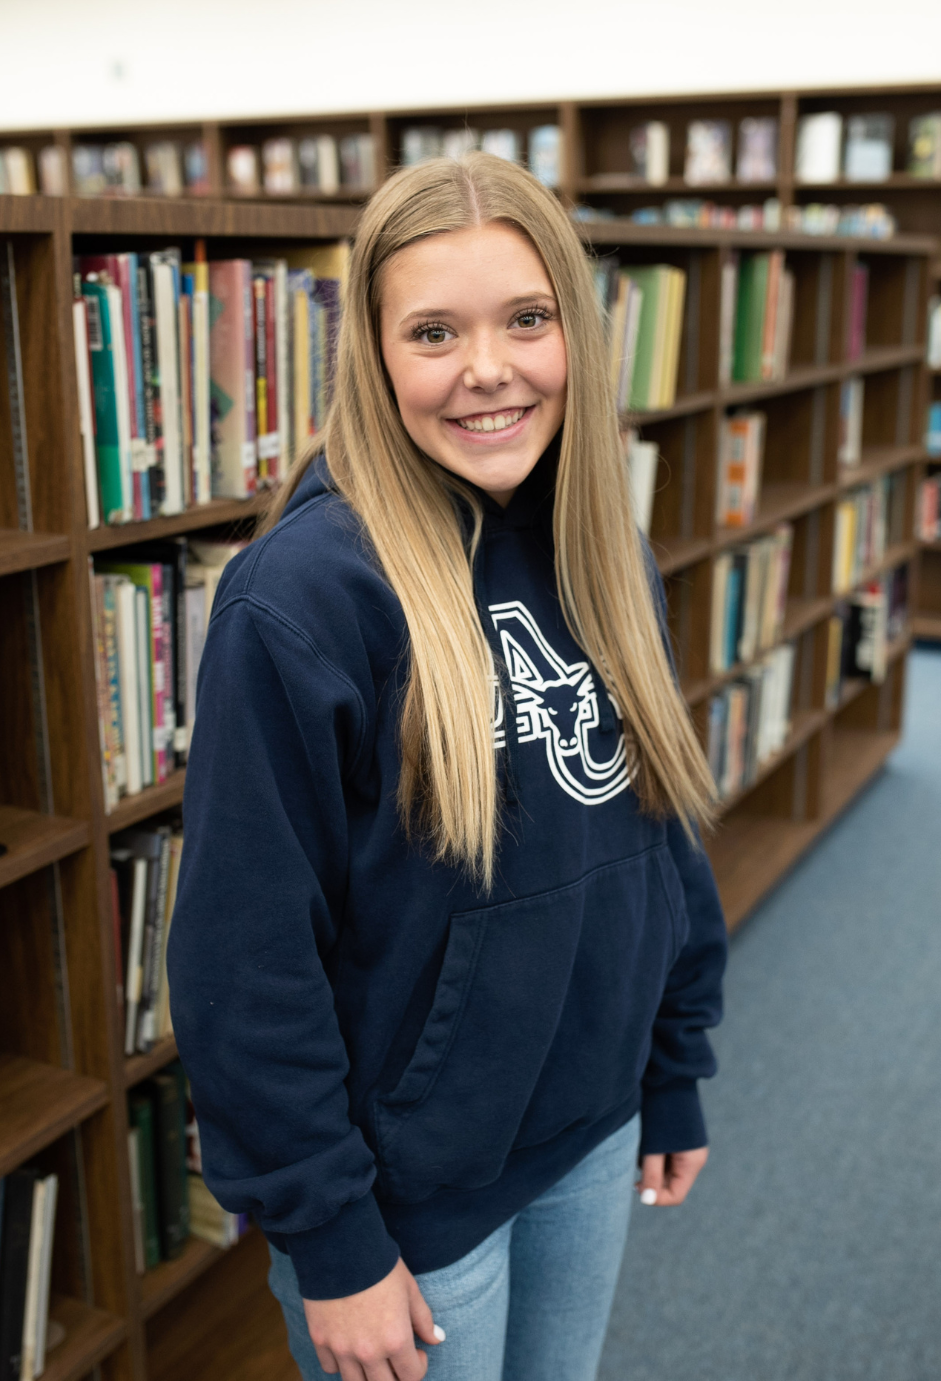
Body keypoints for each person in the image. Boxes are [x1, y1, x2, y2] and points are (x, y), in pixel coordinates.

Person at [168, 151, 727, 1381]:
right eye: (433, 331)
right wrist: (332, 1239)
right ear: (372, 358)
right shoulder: (307, 600)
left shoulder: (599, 543)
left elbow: (654, 829)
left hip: (589, 1124)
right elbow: (242, 959)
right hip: (408, 1200)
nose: (488, 368)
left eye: (526, 319)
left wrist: (672, 1062)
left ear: (575, 330)